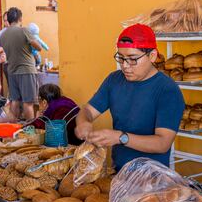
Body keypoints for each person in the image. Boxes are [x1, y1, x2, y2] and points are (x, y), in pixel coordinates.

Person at [75, 23, 185, 170]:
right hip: (118, 171)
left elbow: (162, 144)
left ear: (152, 56)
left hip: (152, 177)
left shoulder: (168, 90)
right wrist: (83, 122)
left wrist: (120, 137)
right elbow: (88, 110)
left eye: (132, 59)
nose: (125, 66)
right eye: (121, 58)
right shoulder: (114, 80)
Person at [0, 7, 42, 120]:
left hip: (12, 71)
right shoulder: (24, 30)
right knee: (28, 103)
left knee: (15, 101)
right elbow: (39, 47)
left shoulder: (3, 35)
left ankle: (14, 127)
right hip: (26, 70)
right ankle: (30, 129)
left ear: (8, 20)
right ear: (20, 18)